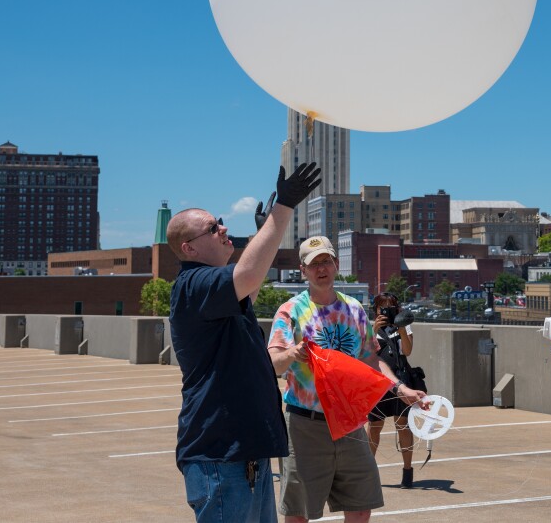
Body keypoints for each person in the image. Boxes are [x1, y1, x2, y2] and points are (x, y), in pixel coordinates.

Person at [168, 162, 321, 523]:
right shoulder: (194, 284)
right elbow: (248, 274)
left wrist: (258, 238)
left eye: (220, 221)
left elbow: (247, 286)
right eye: (212, 227)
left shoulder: (212, 290)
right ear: (189, 247)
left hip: (245, 455)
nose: (223, 227)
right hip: (220, 458)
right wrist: (284, 206)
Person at [268, 236, 426, 522]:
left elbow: (372, 359)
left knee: (361, 505)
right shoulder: (290, 311)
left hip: (350, 421)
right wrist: (293, 353)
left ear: (336, 264)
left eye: (326, 261)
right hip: (306, 424)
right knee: (299, 512)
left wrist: (401, 389)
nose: (321, 268)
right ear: (302, 270)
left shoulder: (353, 309)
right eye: (313, 264)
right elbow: (273, 364)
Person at [366, 292, 417, 489]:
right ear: (376, 310)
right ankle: (369, 473)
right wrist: (373, 330)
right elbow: (365, 351)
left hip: (400, 380)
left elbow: (408, 351)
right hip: (376, 381)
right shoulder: (370, 328)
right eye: (382, 308)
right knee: (374, 425)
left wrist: (402, 327)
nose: (386, 311)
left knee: (402, 424)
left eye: (390, 307)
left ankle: (407, 471)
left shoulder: (403, 325)